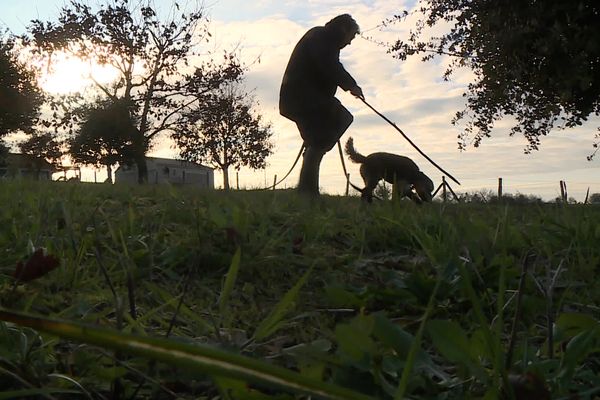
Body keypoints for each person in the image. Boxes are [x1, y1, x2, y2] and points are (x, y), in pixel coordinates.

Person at [279, 14, 364, 196]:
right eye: (351, 37)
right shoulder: (321, 37)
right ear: (343, 29)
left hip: (303, 99)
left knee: (317, 139)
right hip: (303, 99)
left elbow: (328, 65)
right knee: (341, 120)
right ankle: (307, 189)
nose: (349, 43)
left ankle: (307, 189)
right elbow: (329, 65)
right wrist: (351, 85)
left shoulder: (321, 39)